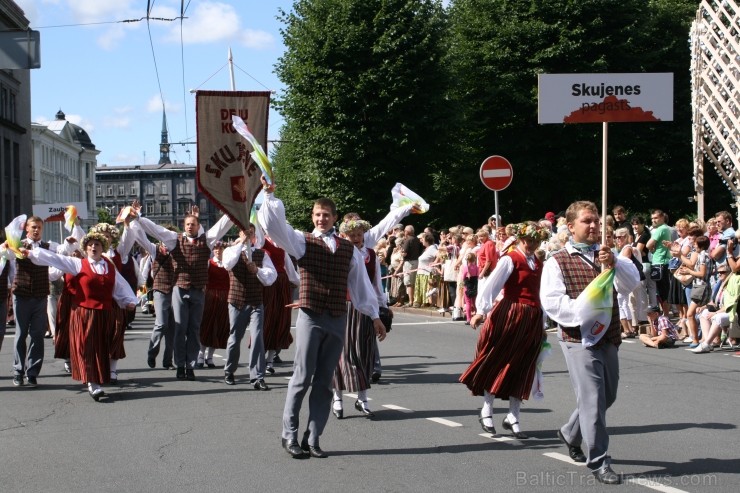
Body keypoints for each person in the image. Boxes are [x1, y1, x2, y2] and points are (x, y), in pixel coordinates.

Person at [258, 176, 386, 459]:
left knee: (325, 381)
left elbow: (361, 285)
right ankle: (289, 435)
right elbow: (275, 227)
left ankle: (313, 438)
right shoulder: (302, 242)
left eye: (326, 215)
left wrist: (374, 315)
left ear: (335, 218)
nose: (321, 219)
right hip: (311, 315)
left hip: (337, 317)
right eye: (317, 215)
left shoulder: (348, 249)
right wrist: (269, 197)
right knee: (301, 378)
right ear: (312, 216)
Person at [540, 200, 640, 485]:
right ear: (570, 227)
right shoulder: (557, 260)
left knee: (607, 395)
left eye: (596, 220)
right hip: (578, 338)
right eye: (587, 221)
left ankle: (570, 433)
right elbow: (553, 303)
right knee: (593, 400)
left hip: (608, 336)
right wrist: (586, 311)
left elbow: (630, 283)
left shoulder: (608, 255)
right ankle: (599, 461)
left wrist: (615, 262)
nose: (594, 225)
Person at [19, 232, 137, 400]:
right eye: (90, 245)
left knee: (101, 347)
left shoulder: (109, 267)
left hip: (104, 314)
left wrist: (128, 301)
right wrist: (31, 253)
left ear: (102, 247)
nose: (93, 247)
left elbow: (120, 287)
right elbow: (55, 259)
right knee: (88, 347)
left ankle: (99, 378)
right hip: (84, 313)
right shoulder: (78, 264)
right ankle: (92, 382)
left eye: (97, 244)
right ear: (85, 249)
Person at [460, 221, 549, 439]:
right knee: (499, 360)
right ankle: (487, 409)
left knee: (524, 365)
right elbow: (492, 285)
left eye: (535, 241)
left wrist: (543, 323)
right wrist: (481, 310)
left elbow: (542, 294)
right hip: (511, 313)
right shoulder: (510, 259)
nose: (531, 244)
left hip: (532, 317)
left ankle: (513, 416)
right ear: (520, 239)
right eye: (528, 240)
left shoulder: (538, 262)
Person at [131, 206, 232, 380]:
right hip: (180, 288)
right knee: (179, 328)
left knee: (194, 329)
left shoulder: (206, 240)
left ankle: (190, 365)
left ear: (198, 226)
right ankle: (179, 365)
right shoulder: (174, 240)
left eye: (193, 224)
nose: (190, 227)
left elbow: (222, 225)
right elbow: (156, 230)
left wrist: (234, 212)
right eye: (187, 224)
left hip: (199, 290)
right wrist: (139, 218)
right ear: (183, 226)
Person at [331, 216, 390, 419]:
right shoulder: (341, 253)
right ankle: (337, 397)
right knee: (343, 353)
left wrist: (382, 307)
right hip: (344, 306)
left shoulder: (371, 255)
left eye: (359, 234)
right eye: (352, 235)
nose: (356, 238)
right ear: (345, 236)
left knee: (365, 352)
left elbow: (376, 284)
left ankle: (362, 398)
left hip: (366, 309)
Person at [221, 225, 277, 388]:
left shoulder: (261, 254)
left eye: (250, 233)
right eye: (245, 232)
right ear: (239, 233)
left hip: (255, 301)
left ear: (254, 236)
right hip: (237, 300)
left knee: (258, 337)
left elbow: (271, 277)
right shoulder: (230, 251)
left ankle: (258, 377)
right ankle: (229, 370)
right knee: (234, 338)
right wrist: (240, 244)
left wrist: (257, 270)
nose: (248, 235)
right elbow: (227, 264)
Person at [10, 216, 63, 387]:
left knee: (37, 335)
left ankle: (32, 372)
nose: (36, 230)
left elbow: (64, 251)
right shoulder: (17, 245)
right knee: (20, 334)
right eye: (33, 227)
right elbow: (8, 260)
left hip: (40, 296)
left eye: (39, 227)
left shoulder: (48, 247)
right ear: (27, 228)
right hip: (22, 294)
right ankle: (18, 371)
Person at [262, 237, 299, 374]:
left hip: (281, 285)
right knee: (264, 322)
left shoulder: (283, 246)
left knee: (279, 321)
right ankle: (259, 359)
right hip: (266, 285)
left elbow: (291, 272)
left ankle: (270, 360)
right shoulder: (261, 242)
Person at [197, 241, 230, 368]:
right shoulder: (209, 263)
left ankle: (210, 357)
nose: (218, 251)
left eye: (220, 248)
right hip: (210, 297)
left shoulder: (228, 264)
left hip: (224, 297)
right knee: (207, 325)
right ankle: (200, 355)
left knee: (219, 326)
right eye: (216, 249)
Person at [646, 209, 672, 315]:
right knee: (660, 291)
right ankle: (664, 315)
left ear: (662, 218)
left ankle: (665, 316)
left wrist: (652, 249)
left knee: (663, 291)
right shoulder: (664, 229)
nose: (653, 220)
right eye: (652, 218)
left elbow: (648, 245)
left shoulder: (661, 229)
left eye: (656, 218)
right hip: (659, 262)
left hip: (661, 262)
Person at [460, 252, 479, 324]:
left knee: (468, 303)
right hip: (474, 286)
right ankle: (477, 316)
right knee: (475, 302)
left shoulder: (465, 268)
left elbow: (463, 278)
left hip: (467, 287)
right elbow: (478, 276)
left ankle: (468, 318)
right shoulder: (477, 268)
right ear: (474, 259)